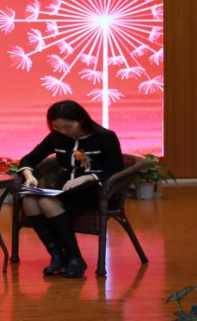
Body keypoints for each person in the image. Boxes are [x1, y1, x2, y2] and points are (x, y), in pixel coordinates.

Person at [17, 100, 124, 279]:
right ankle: (57, 256)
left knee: (46, 201)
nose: (63, 131)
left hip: (94, 191)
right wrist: (30, 177)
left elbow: (116, 169)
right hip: (64, 189)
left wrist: (88, 177)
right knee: (28, 199)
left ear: (81, 120)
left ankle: (75, 258)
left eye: (68, 126)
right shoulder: (56, 136)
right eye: (57, 127)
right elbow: (29, 159)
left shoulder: (105, 137)